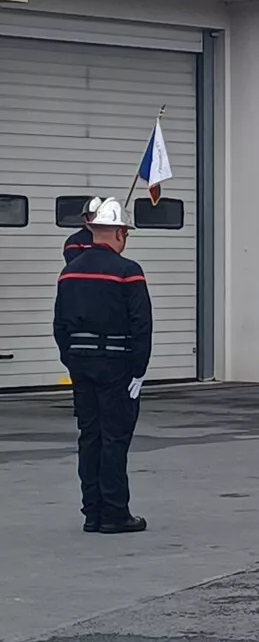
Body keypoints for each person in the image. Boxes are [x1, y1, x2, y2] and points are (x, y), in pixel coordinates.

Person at [53, 197, 152, 534]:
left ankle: (92, 511)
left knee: (90, 436)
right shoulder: (128, 272)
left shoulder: (69, 271)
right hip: (117, 364)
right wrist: (139, 370)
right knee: (114, 438)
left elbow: (59, 325)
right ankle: (114, 512)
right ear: (121, 233)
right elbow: (141, 325)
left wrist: (71, 360)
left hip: (81, 363)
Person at [62, 197, 102, 265]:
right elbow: (75, 266)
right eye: (93, 215)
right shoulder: (74, 241)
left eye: (100, 215)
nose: (97, 218)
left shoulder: (110, 239)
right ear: (85, 217)